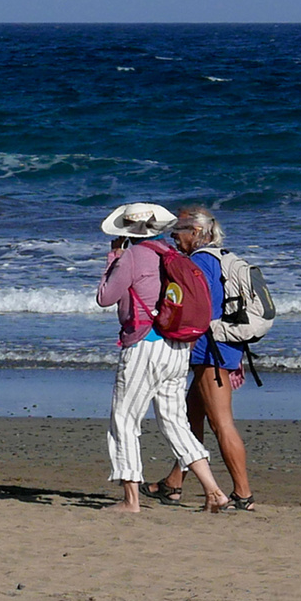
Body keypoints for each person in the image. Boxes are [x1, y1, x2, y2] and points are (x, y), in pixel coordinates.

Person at [95, 202, 232, 514]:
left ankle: (131, 500)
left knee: (125, 419)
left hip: (144, 345)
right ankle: (213, 490)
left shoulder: (131, 256)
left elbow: (105, 297)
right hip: (176, 348)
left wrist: (113, 259)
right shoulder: (170, 255)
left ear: (127, 232)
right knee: (174, 422)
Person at [141, 205, 255, 512]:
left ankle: (243, 495)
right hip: (221, 347)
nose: (174, 238)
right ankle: (173, 485)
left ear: (196, 232)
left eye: (177, 232)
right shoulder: (221, 257)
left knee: (221, 424)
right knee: (192, 419)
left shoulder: (200, 263)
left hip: (210, 350)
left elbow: (203, 310)